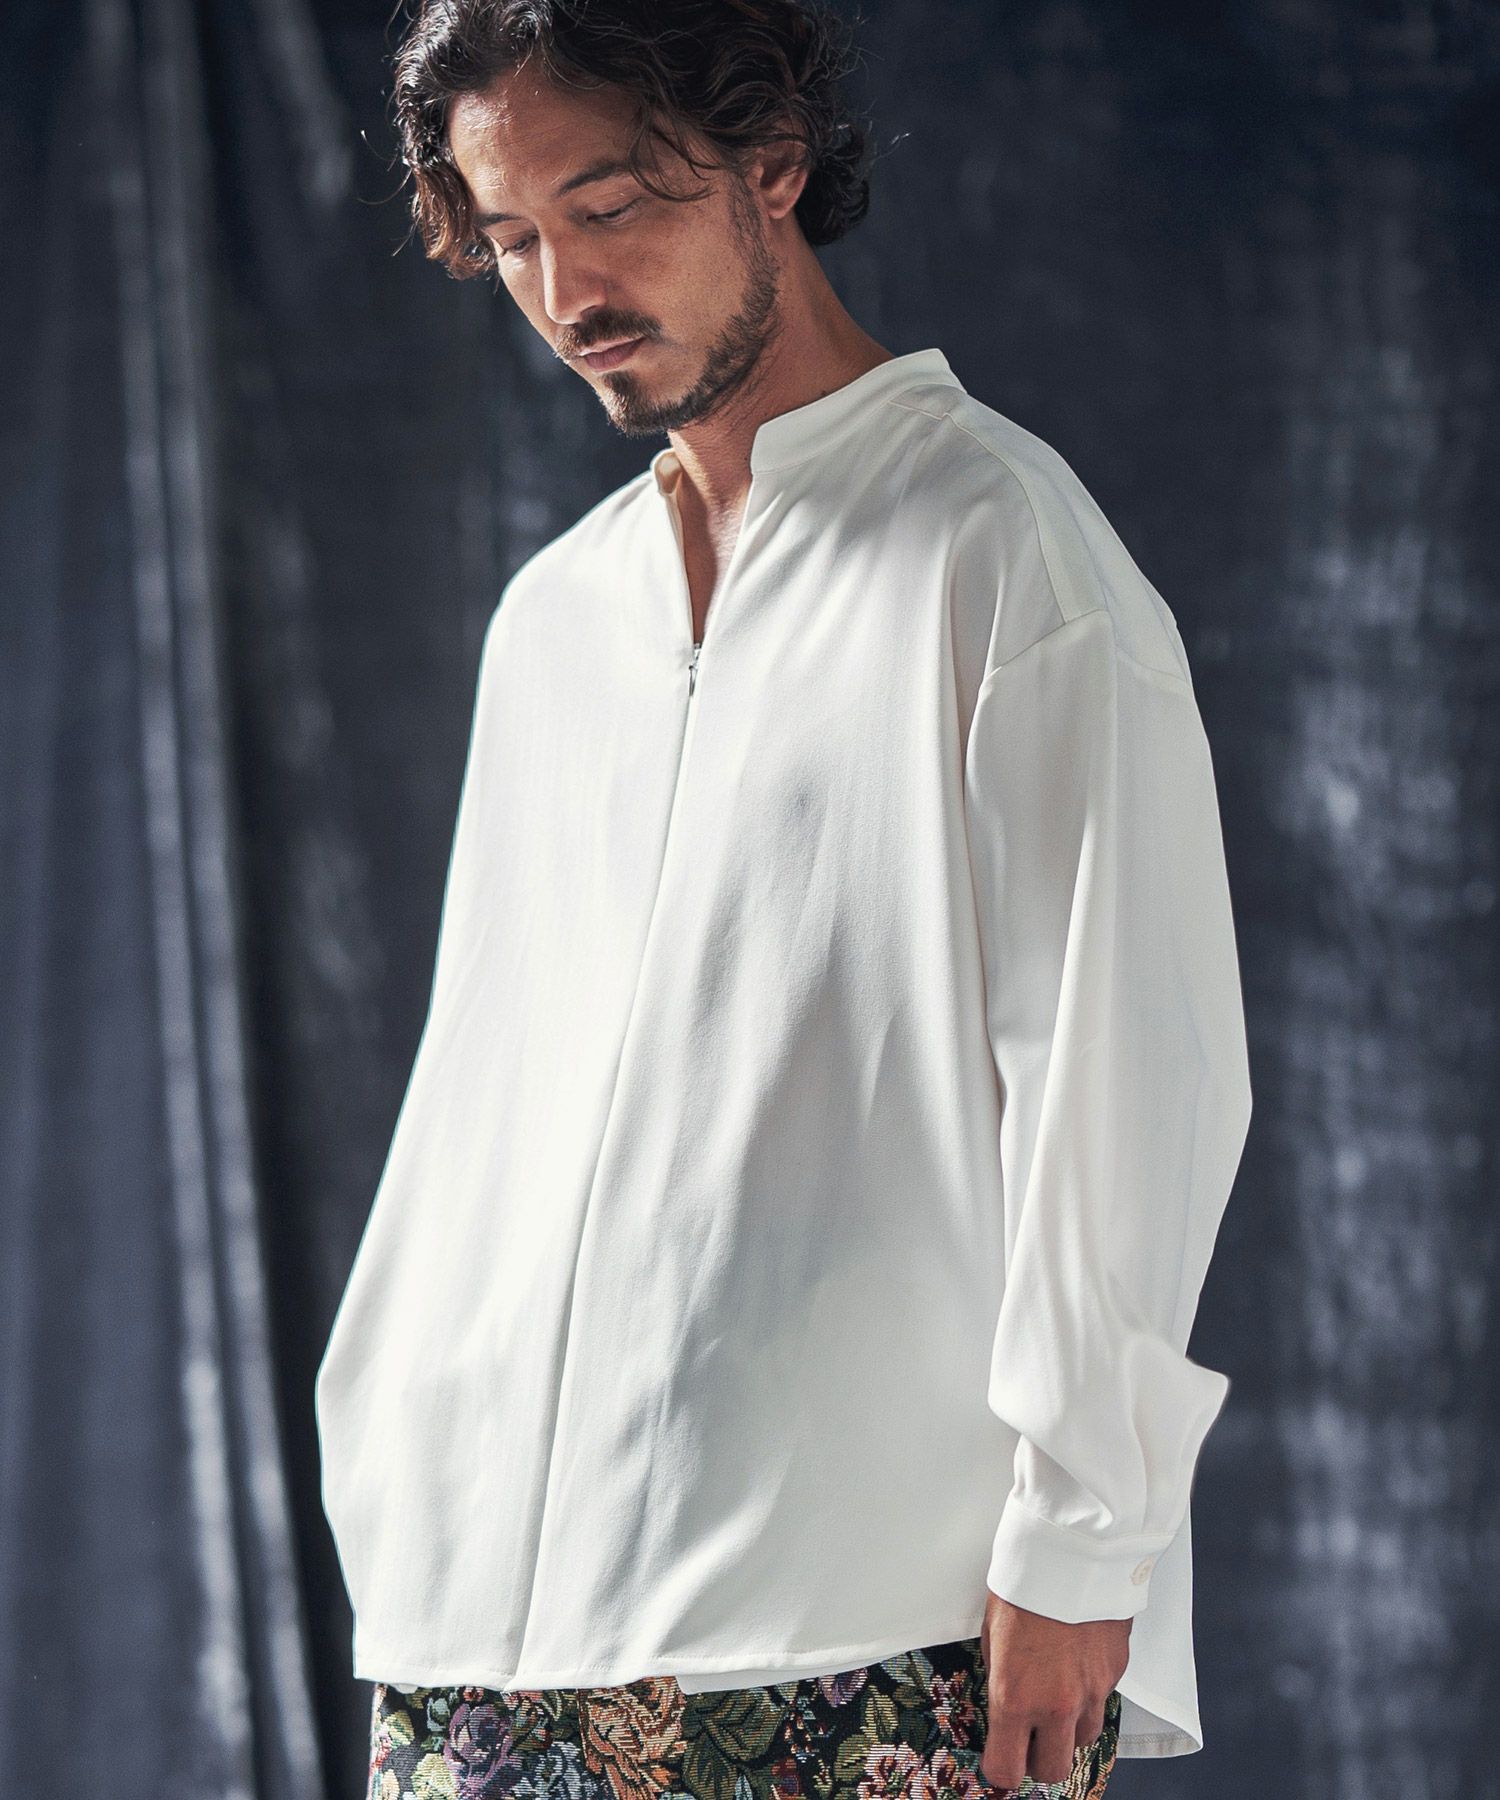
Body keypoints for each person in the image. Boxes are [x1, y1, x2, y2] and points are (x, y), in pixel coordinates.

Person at [314, 4, 1253, 1797]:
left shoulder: (1003, 551)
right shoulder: (554, 622)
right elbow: (483, 1106)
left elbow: (1127, 1077)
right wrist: (401, 1462)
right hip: (480, 1648)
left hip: (861, 1625)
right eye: (513, 240)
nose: (568, 291)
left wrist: (1085, 1534)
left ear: (771, 162)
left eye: (612, 208)